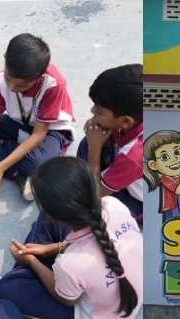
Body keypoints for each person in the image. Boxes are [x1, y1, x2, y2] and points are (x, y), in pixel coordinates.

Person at [0, 157, 142, 319]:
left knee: (8, 288)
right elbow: (90, 243)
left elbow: (67, 300)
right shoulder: (113, 205)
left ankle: (20, 276)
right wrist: (49, 249)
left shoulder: (70, 265)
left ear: (56, 216)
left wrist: (32, 261)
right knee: (44, 230)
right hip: (111, 284)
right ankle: (25, 275)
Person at [0, 33, 74, 202]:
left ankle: (11, 162)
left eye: (22, 85)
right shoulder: (0, 80)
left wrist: (1, 167)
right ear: (5, 61)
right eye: (9, 79)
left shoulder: (53, 84)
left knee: (39, 164)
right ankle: (19, 172)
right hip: (19, 122)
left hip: (51, 130)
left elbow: (39, 134)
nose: (13, 87)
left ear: (40, 77)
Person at [77, 64, 144, 224]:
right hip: (130, 173)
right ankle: (83, 182)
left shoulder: (133, 156)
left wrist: (94, 149)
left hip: (141, 204)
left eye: (99, 111)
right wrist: (102, 137)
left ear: (126, 121)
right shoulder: (138, 115)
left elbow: (97, 194)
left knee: (87, 209)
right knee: (89, 141)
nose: (92, 111)